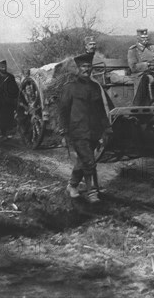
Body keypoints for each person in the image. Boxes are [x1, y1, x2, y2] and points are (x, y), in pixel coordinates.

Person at [58, 53, 112, 203]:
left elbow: (101, 110)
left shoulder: (95, 87)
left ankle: (72, 185)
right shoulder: (70, 88)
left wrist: (107, 128)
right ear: (78, 68)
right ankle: (92, 192)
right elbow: (63, 111)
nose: (86, 69)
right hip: (78, 130)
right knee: (89, 161)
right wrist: (64, 131)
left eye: (88, 67)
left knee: (83, 161)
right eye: (83, 67)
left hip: (94, 131)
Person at [0, 60, 20, 139]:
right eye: (2, 67)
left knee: (9, 116)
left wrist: (14, 94)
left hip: (9, 100)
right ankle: (3, 133)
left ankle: (9, 132)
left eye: (4, 66)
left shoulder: (10, 76)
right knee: (1, 117)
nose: (3, 68)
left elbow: (15, 88)